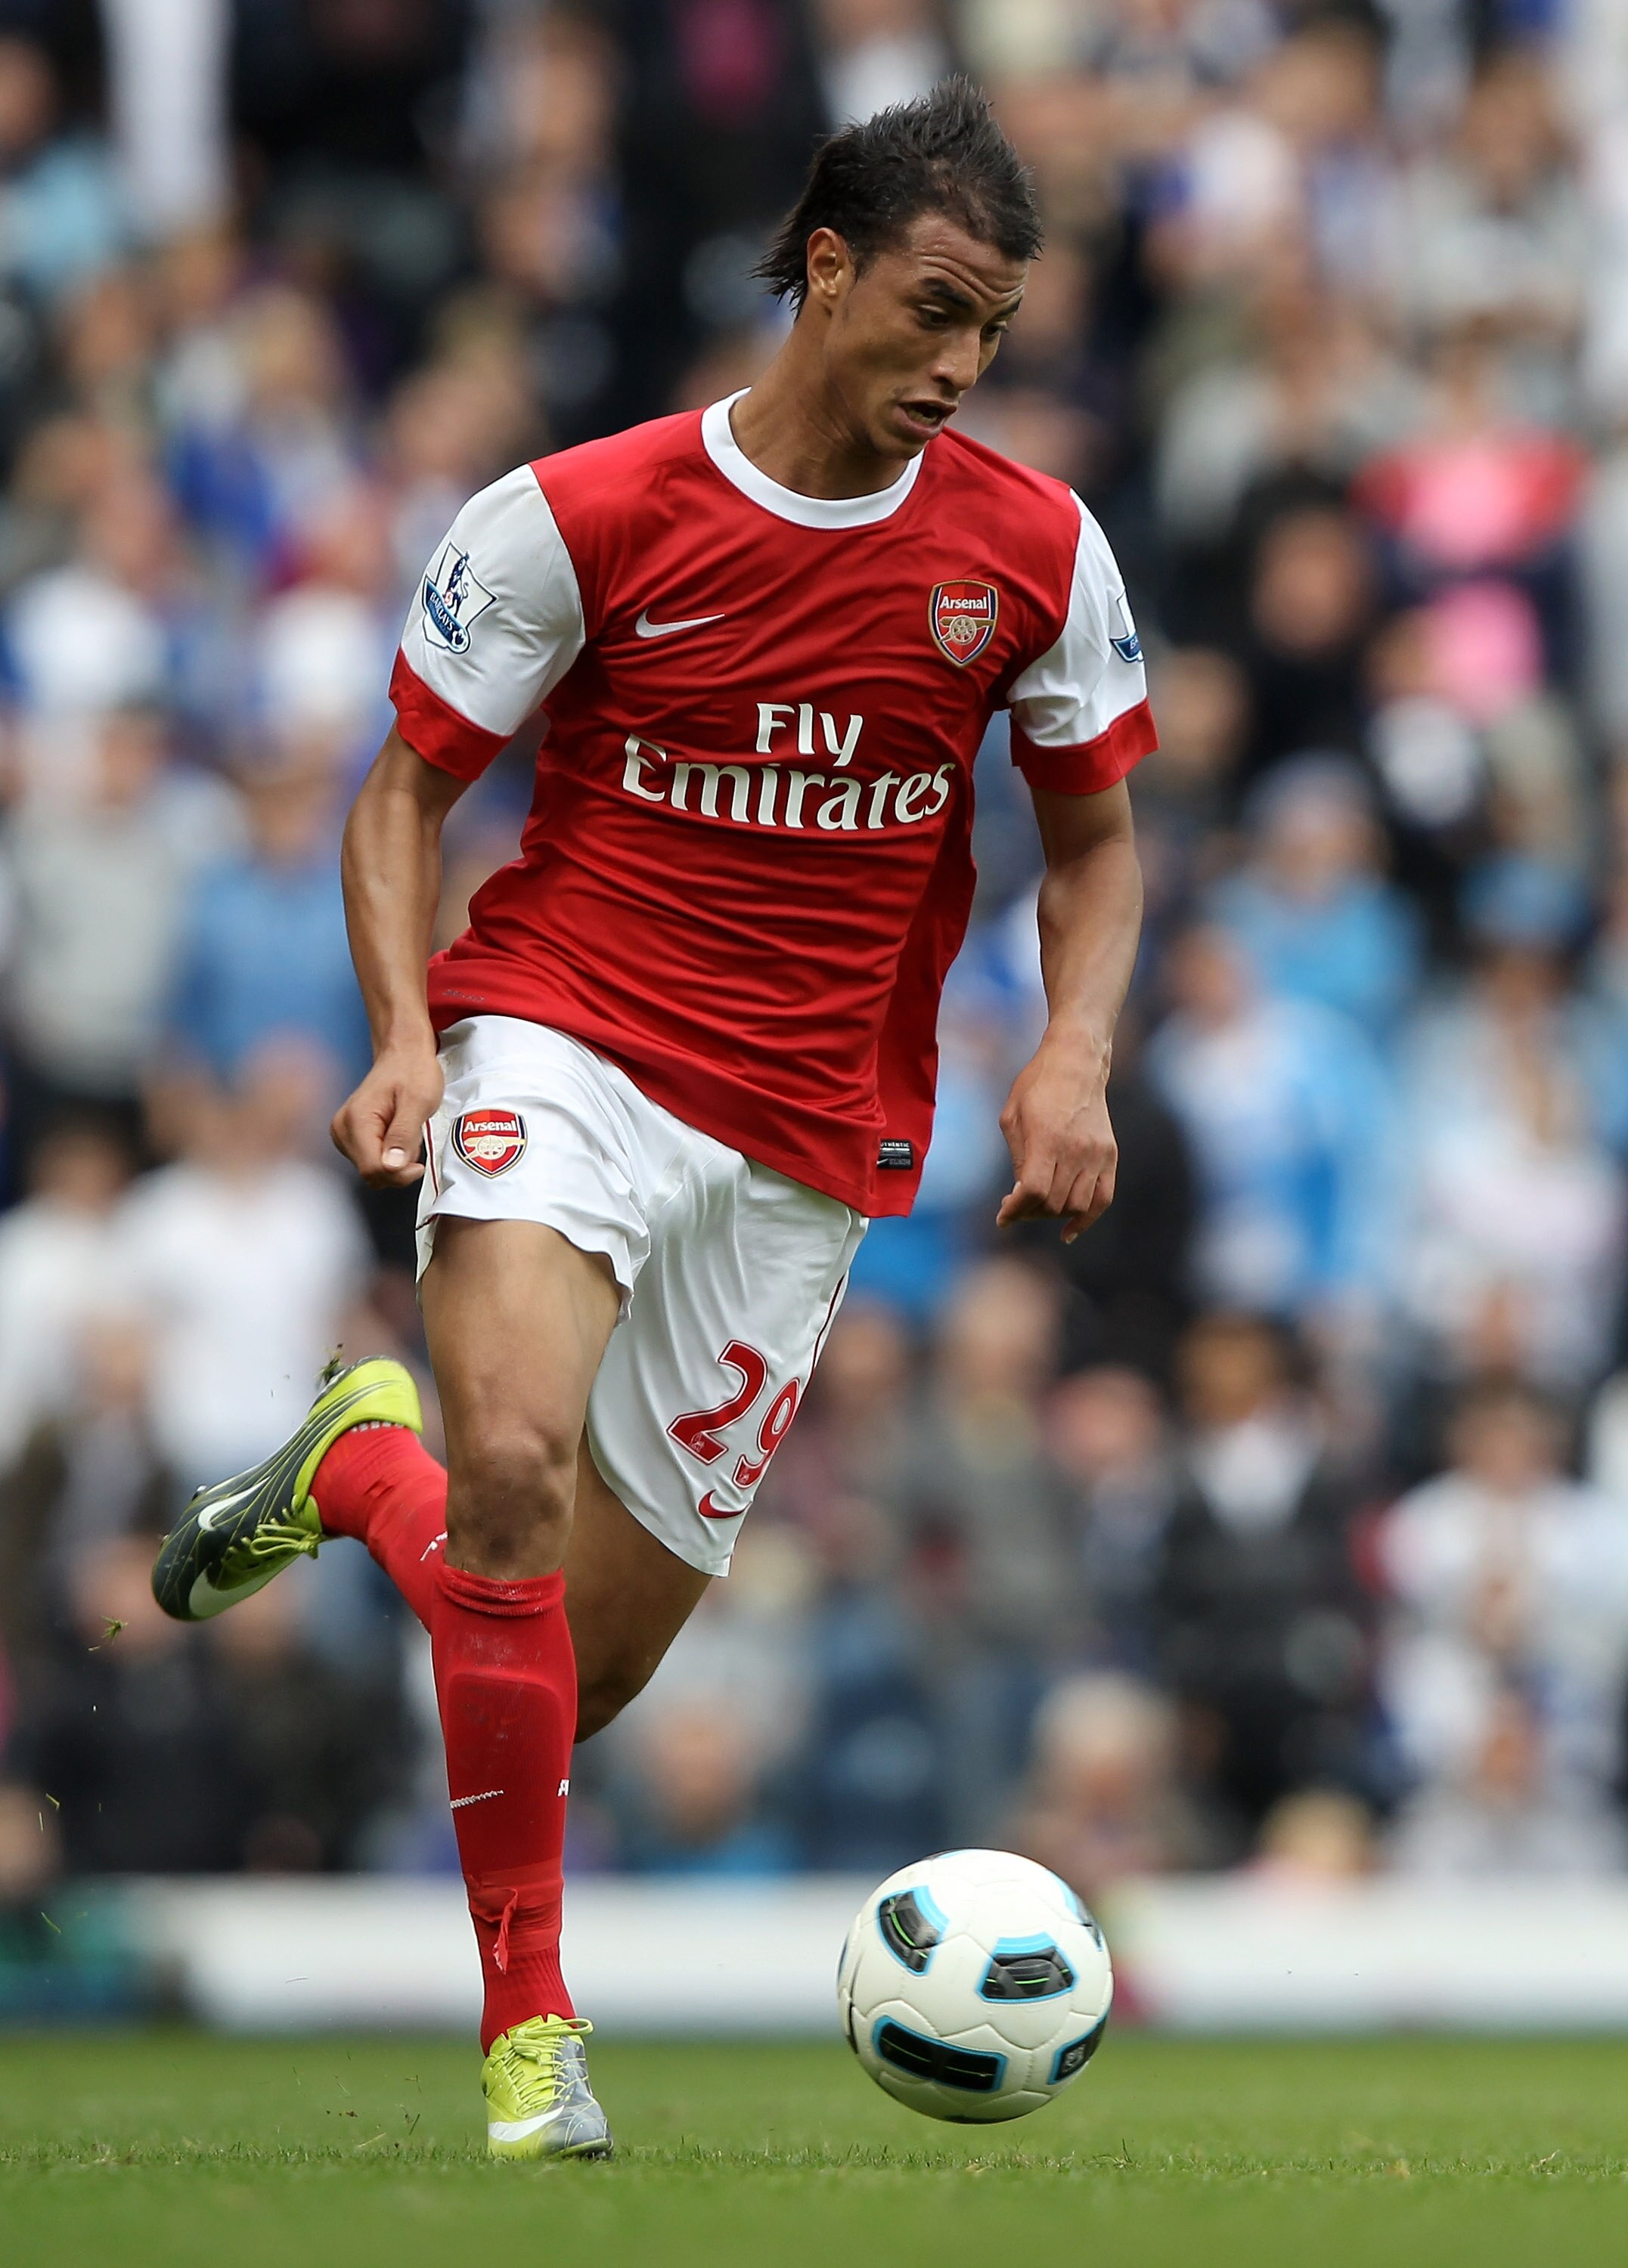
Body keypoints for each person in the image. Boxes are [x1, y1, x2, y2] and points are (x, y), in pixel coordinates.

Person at [148, 82, 1149, 2161]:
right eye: (937, 310)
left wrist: (1072, 1056)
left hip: (803, 1147)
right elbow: (407, 789)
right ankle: (535, 2038)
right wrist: (409, 1034)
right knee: (511, 1469)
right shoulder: (581, 513)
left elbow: (1100, 840)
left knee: (566, 1667)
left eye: (1001, 328)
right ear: (825, 267)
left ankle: (361, 1472)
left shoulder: (1034, 550)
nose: (962, 367)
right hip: (567, 1043)